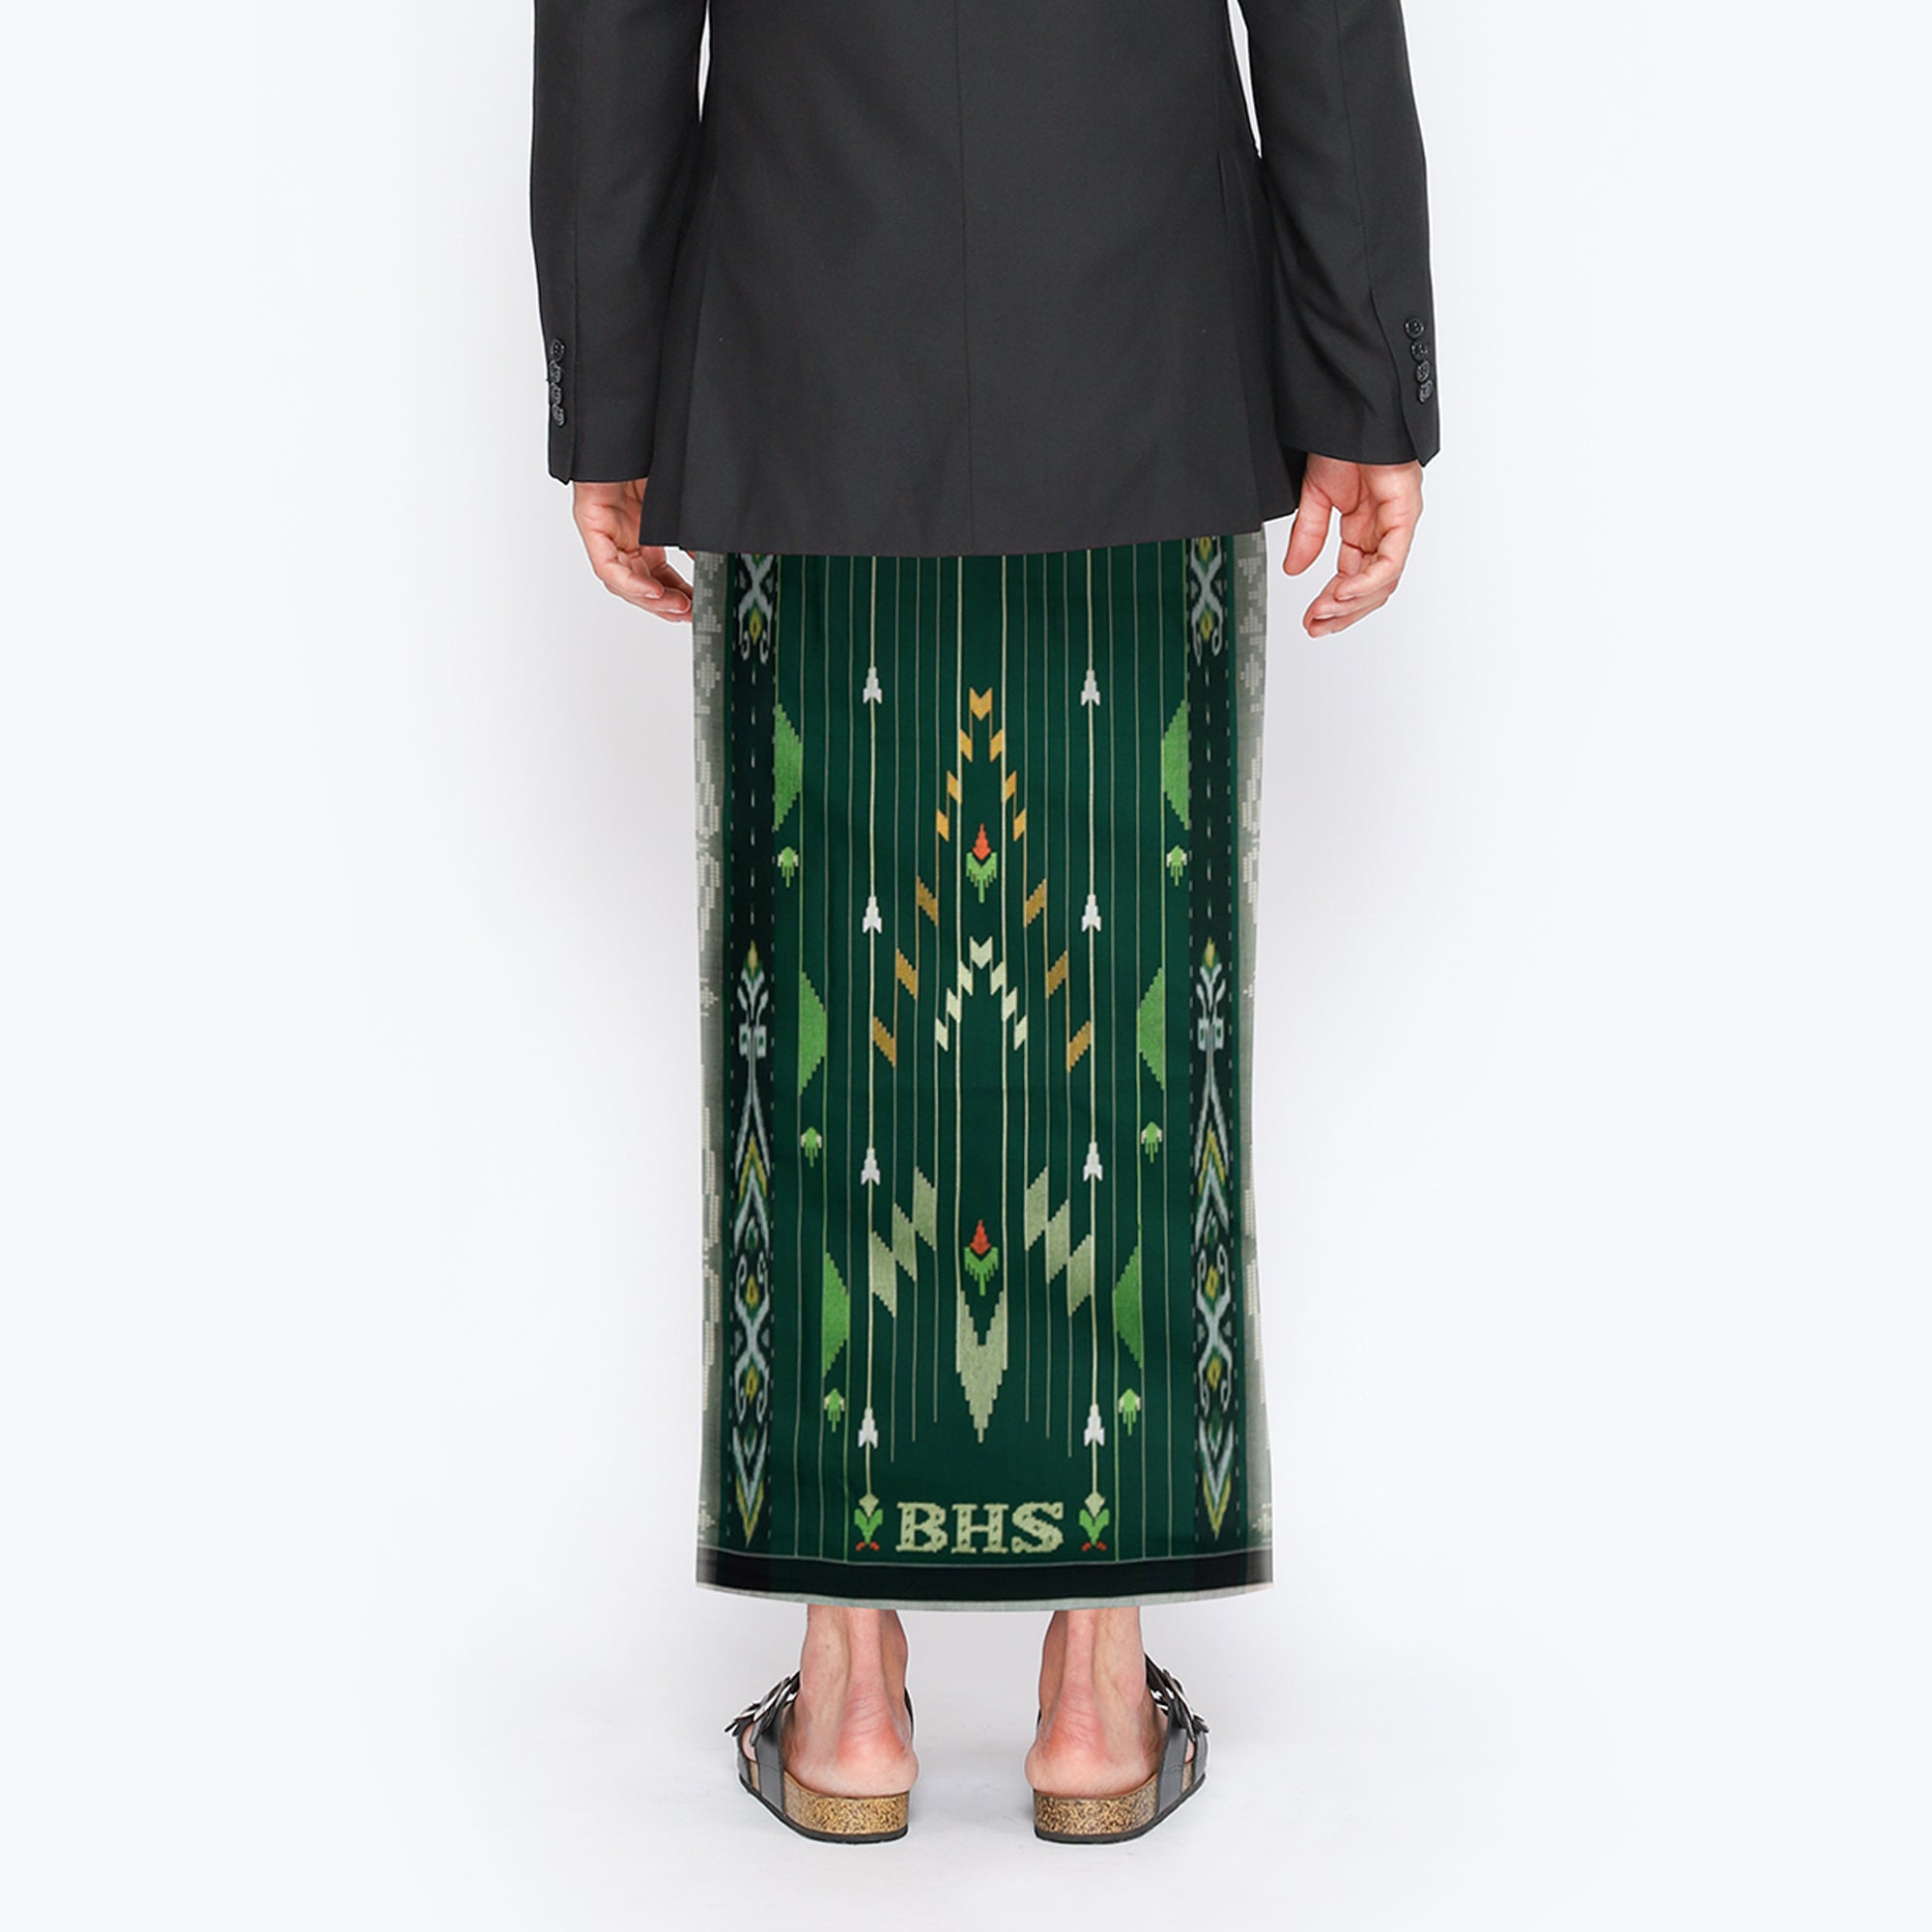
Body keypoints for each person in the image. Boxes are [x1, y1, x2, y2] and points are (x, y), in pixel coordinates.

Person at [530, 0, 1437, 1844]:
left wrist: (612, 391)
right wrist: (1364, 375)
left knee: (810, 994)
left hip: (803, 327)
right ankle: (1096, 1701)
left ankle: (847, 1700)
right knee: (1137, 992)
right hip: (1143, 328)